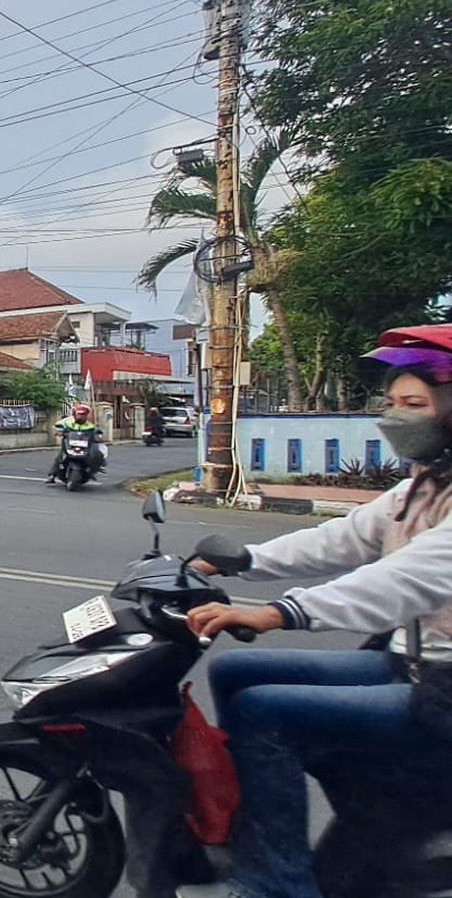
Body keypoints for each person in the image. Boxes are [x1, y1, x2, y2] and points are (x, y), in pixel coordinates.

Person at [175, 324, 452, 898]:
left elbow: (399, 580)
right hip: (411, 666)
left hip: (442, 689)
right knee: (233, 672)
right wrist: (242, 560)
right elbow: (340, 539)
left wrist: (279, 613)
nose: (397, 416)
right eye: (393, 402)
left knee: (264, 712)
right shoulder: (422, 486)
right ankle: (268, 828)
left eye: (416, 405)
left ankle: (276, 884)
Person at [46, 404, 105, 483]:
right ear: (75, 414)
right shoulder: (69, 424)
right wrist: (60, 432)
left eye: (82, 414)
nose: (80, 416)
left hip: (84, 446)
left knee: (96, 454)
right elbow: (59, 427)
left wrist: (97, 437)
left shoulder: (90, 426)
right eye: (78, 414)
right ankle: (52, 475)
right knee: (60, 457)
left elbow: (96, 433)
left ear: (86, 415)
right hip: (71, 445)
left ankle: (93, 470)